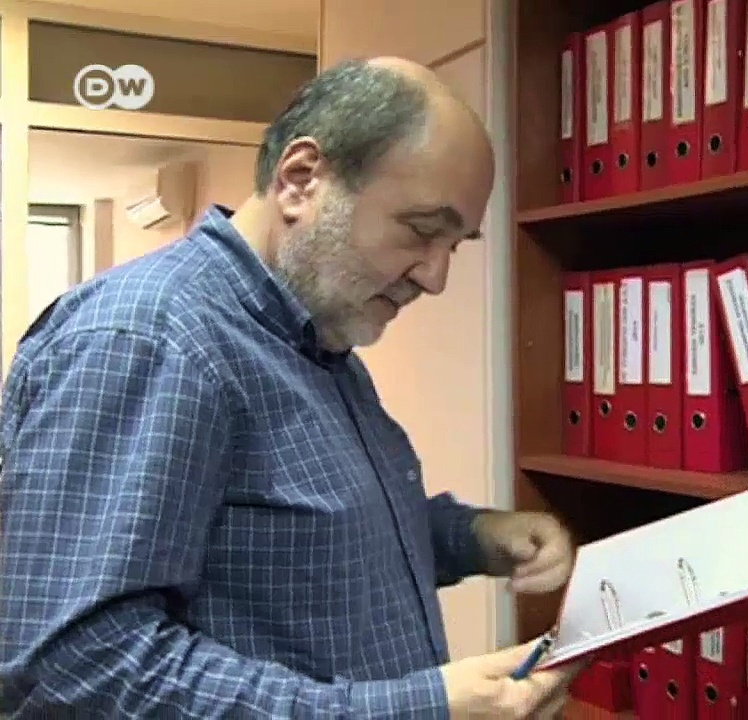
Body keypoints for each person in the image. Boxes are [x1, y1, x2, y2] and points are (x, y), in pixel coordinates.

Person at [0, 56, 581, 718]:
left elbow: (305, 540)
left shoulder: (318, 338)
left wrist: (472, 535)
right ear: (301, 180)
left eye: (457, 244)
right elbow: (74, 666)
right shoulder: (151, 339)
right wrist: (416, 708)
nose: (435, 277)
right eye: (422, 231)